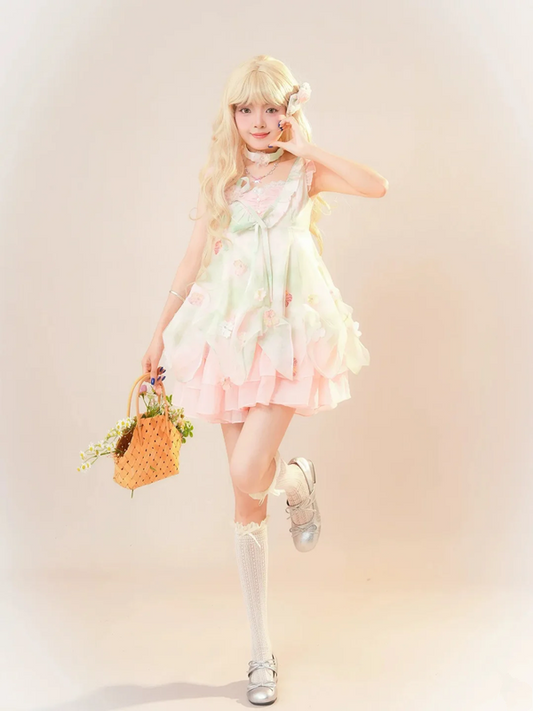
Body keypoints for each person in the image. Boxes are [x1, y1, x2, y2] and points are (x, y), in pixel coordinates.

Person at [141, 54, 387, 706]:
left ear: (289, 111)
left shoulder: (304, 172)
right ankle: (260, 653)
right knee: (245, 500)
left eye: (271, 108)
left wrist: (308, 147)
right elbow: (189, 263)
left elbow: (376, 186)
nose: (258, 120)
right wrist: (157, 334)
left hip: (286, 337)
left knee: (248, 468)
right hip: (227, 338)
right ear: (231, 114)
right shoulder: (220, 182)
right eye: (246, 108)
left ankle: (295, 479)